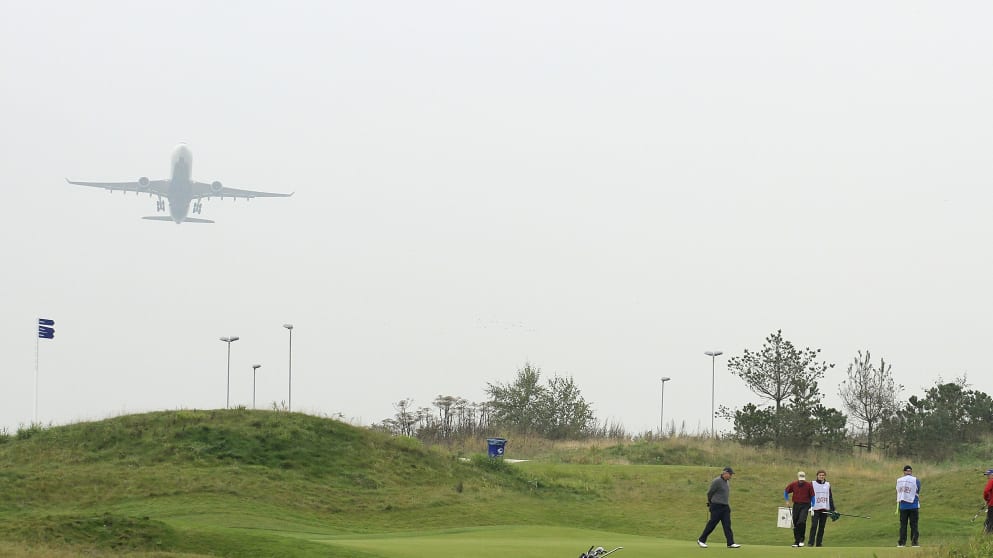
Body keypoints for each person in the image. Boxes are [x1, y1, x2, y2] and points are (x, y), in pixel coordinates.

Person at [697, 467, 741, 548]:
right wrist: (710, 502)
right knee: (712, 524)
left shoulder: (727, 482)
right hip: (716, 506)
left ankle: (730, 543)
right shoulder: (717, 481)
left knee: (727, 525)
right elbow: (710, 493)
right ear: (725, 473)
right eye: (730, 474)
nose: (731, 476)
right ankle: (701, 540)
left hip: (725, 506)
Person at [784, 471, 815, 547]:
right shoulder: (793, 484)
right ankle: (796, 541)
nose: (802, 480)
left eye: (803, 479)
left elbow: (813, 497)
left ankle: (801, 539)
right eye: (800, 479)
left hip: (805, 505)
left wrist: (812, 506)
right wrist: (787, 501)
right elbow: (786, 491)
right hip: (796, 505)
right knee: (795, 522)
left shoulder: (808, 485)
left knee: (801, 521)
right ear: (798, 477)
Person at [807, 469, 835, 547]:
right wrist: (809, 506)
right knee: (814, 526)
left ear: (824, 476)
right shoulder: (812, 484)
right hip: (815, 508)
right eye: (820, 475)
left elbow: (830, 497)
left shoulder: (828, 484)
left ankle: (819, 543)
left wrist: (832, 509)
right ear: (817, 476)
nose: (821, 476)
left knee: (822, 527)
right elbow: (808, 495)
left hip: (824, 509)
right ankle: (810, 542)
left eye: (823, 475)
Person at [896, 464, 921, 548]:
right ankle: (914, 542)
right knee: (914, 525)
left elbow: (898, 490)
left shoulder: (899, 480)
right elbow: (918, 490)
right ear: (911, 472)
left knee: (903, 525)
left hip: (903, 506)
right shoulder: (916, 480)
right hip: (913, 505)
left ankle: (901, 543)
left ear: (904, 472)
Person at [982, 468, 993, 535]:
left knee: (990, 521)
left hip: (992, 505)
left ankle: (988, 536)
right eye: (987, 475)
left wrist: (987, 499)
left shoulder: (991, 481)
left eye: (988, 475)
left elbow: (986, 491)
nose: (987, 477)